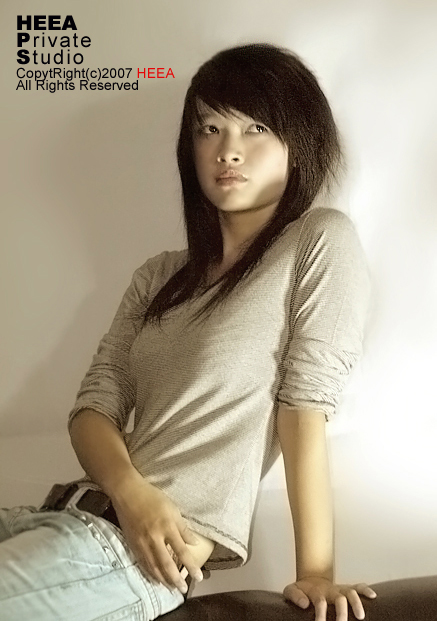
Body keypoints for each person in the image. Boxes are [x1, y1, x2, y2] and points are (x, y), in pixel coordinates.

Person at [0, 43, 377, 621]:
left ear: (299, 142)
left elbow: (304, 408)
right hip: (58, 518)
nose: (228, 150)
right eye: (209, 128)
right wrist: (132, 493)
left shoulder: (318, 241)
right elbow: (93, 408)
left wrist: (316, 574)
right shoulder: (158, 276)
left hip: (126, 558)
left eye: (255, 127)